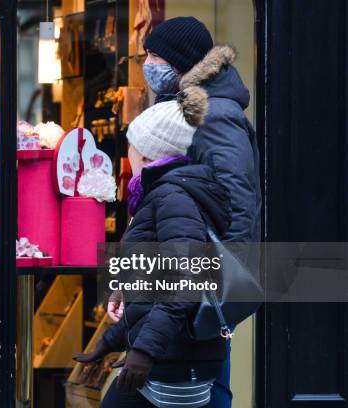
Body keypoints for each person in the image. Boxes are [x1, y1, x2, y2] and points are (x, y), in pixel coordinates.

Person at [74, 84, 231, 407]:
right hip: (171, 356)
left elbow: (186, 281)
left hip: (173, 361)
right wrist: (111, 341)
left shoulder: (172, 198)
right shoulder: (169, 194)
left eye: (130, 146)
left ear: (145, 153)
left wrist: (143, 351)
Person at [141, 17, 262, 406]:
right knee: (199, 380)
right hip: (184, 272)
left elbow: (238, 199)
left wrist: (223, 283)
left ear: (180, 63)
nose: (148, 63)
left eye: (155, 55)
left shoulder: (214, 115)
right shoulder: (186, 106)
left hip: (200, 277)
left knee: (208, 380)